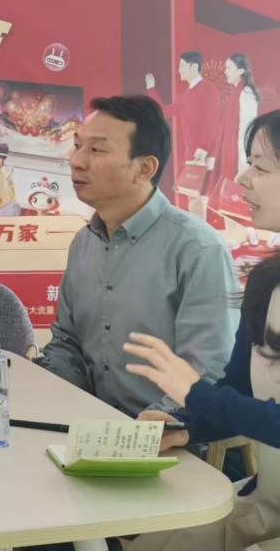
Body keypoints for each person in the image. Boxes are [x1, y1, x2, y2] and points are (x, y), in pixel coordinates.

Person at [123, 109, 280, 551]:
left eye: (260, 167)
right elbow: (241, 389)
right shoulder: (266, 283)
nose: (243, 180)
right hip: (266, 505)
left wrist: (195, 393)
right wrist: (188, 426)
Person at [36, 95, 236, 417]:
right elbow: (66, 343)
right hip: (92, 427)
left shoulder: (197, 249)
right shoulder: (83, 243)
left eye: (97, 150)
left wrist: (146, 430)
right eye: (77, 145)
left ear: (144, 168)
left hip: (170, 435)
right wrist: (56, 405)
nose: (76, 161)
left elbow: (208, 369)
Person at [147, 51, 223, 210]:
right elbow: (164, 112)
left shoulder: (208, 89)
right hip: (193, 154)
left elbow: (213, 122)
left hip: (204, 153)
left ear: (194, 67)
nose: (179, 70)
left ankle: (200, 227)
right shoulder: (187, 94)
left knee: (200, 199)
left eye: (182, 65)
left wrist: (203, 148)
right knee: (192, 198)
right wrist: (151, 89)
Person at [222, 53, 261, 179]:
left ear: (241, 71)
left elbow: (246, 128)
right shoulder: (235, 92)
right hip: (230, 151)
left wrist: (243, 160)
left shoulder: (246, 93)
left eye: (229, 68)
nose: (225, 72)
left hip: (239, 156)